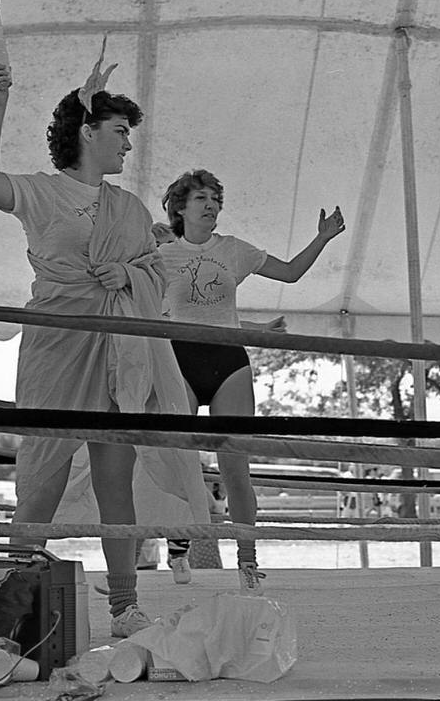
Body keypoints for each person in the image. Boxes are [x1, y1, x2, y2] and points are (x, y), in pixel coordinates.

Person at [0, 51, 190, 639]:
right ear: (86, 131)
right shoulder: (40, 193)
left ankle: (124, 607)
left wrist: (132, 276)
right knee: (41, 477)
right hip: (56, 345)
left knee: (115, 481)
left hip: (119, 350)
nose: (127, 145)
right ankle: (9, 612)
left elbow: (155, 271)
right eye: (119, 132)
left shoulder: (130, 207)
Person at [158, 168, 345, 594]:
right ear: (179, 208)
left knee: (236, 466)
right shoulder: (160, 255)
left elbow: (291, 273)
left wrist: (323, 238)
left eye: (216, 199)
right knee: (179, 462)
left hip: (228, 360)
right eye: (201, 198)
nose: (211, 206)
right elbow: (152, 309)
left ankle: (248, 559)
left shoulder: (235, 250)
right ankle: (177, 544)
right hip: (178, 358)